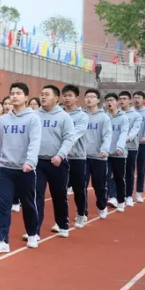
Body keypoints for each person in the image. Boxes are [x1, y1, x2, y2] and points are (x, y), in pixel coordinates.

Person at [0, 82, 41, 254]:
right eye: (12, 93)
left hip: (25, 169)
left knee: (28, 203)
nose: (14, 96)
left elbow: (35, 142)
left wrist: (30, 162)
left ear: (26, 97)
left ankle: (32, 234)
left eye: (18, 93)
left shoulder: (33, 119)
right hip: (5, 168)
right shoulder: (1, 121)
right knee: (3, 205)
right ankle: (2, 240)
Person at [33, 85, 74, 238]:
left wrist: (60, 155)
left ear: (56, 98)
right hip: (38, 162)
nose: (43, 97)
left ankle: (63, 225)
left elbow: (69, 138)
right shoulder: (34, 116)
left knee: (59, 195)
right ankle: (34, 230)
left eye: (47, 94)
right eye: (41, 94)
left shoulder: (64, 117)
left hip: (57, 162)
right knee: (36, 196)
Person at [61, 85, 89, 228]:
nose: (67, 98)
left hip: (77, 157)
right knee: (61, 189)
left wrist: (64, 146)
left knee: (79, 188)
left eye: (70, 95)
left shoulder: (82, 116)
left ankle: (81, 213)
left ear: (77, 97)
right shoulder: (59, 113)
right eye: (65, 95)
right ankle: (62, 219)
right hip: (61, 157)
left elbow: (76, 134)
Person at [83, 89, 112, 220]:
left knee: (99, 185)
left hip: (99, 156)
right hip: (83, 156)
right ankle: (82, 212)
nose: (89, 99)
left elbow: (107, 136)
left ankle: (102, 206)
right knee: (81, 185)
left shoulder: (104, 117)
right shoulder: (82, 116)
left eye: (92, 97)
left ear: (98, 100)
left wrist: (104, 149)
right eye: (87, 96)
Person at [112, 91, 142, 207]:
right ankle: (114, 196)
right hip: (115, 148)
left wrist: (125, 139)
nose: (122, 101)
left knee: (129, 171)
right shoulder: (114, 114)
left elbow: (135, 130)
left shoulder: (136, 116)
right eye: (120, 99)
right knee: (115, 172)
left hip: (130, 147)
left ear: (130, 100)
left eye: (124, 98)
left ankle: (128, 195)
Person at [105, 93, 129, 212]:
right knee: (105, 177)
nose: (109, 102)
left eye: (111, 100)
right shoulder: (104, 117)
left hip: (119, 153)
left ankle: (120, 200)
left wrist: (120, 147)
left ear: (117, 102)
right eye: (107, 100)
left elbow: (124, 133)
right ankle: (109, 197)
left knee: (119, 177)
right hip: (105, 153)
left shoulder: (123, 118)